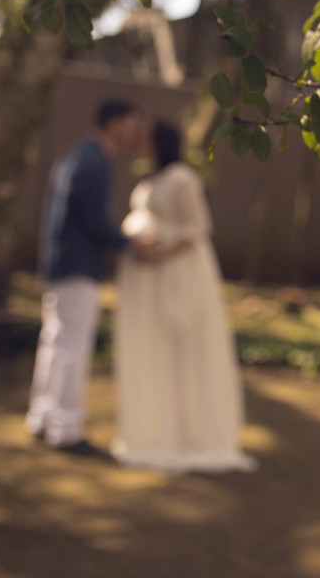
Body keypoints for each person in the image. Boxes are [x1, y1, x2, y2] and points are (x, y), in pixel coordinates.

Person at [110, 120, 256, 473]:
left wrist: (160, 253)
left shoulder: (182, 178)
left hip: (175, 276)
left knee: (181, 347)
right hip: (147, 281)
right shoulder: (151, 180)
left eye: (145, 137)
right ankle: (154, 429)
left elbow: (198, 228)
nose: (139, 142)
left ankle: (187, 433)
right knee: (154, 348)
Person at [26, 99, 149, 454]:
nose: (135, 132)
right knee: (71, 347)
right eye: (132, 123)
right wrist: (130, 244)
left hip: (62, 264)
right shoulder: (93, 160)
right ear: (115, 123)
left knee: (55, 342)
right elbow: (96, 221)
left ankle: (43, 418)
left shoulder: (79, 155)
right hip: (77, 267)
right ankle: (65, 429)